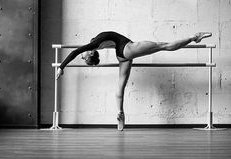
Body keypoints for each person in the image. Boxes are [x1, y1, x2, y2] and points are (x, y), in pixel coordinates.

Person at [56, 31, 212, 130]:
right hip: (127, 49)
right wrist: (61, 67)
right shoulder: (94, 43)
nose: (83, 55)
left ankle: (120, 113)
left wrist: (62, 67)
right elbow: (76, 52)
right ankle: (194, 37)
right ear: (91, 53)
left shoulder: (96, 43)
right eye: (85, 56)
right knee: (163, 45)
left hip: (122, 56)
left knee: (120, 87)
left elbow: (81, 51)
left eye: (84, 57)